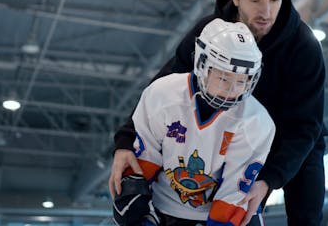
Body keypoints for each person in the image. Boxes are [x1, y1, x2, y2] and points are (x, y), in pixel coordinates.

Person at [110, 0, 328, 225]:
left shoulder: (304, 47)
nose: (266, 12)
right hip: (232, 129)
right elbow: (162, 89)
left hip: (290, 134)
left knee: (307, 210)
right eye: (255, 0)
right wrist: (125, 140)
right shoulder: (210, 32)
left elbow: (305, 128)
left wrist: (270, 179)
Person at [112, 18, 275, 226]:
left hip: (215, 208)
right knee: (128, 196)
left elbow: (232, 195)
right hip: (163, 205)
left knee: (245, 213)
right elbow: (143, 163)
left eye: (242, 81)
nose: (233, 90)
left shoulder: (256, 121)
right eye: (224, 78)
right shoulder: (162, 94)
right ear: (202, 64)